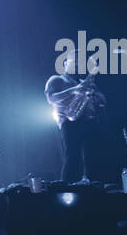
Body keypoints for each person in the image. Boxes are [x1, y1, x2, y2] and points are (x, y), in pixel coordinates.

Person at [45, 53, 106, 183]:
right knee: (73, 158)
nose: (77, 65)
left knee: (93, 159)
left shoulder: (83, 82)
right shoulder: (57, 79)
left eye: (80, 63)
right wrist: (75, 89)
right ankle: (67, 191)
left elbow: (103, 101)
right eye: (74, 61)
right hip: (70, 120)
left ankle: (93, 189)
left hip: (89, 121)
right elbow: (52, 98)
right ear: (65, 64)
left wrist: (94, 94)